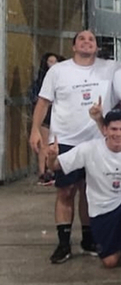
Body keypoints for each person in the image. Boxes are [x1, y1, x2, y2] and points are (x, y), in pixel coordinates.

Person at [29, 30, 121, 263]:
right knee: (66, 191)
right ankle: (63, 243)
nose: (87, 42)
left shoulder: (111, 68)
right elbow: (43, 102)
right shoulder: (58, 71)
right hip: (65, 140)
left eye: (91, 39)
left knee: (90, 192)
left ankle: (89, 239)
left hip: (98, 139)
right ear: (73, 46)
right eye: (82, 39)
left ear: (97, 47)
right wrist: (35, 130)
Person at [47, 110, 121, 276]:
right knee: (110, 262)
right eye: (113, 129)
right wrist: (51, 158)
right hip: (102, 206)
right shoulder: (88, 149)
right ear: (105, 130)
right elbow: (56, 166)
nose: (118, 134)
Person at [29, 52, 64, 185]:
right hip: (46, 116)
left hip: (59, 117)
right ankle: (42, 172)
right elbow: (35, 98)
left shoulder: (62, 77)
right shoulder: (40, 81)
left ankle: (53, 170)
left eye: (55, 62)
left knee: (55, 146)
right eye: (50, 61)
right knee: (43, 145)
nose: (53, 65)